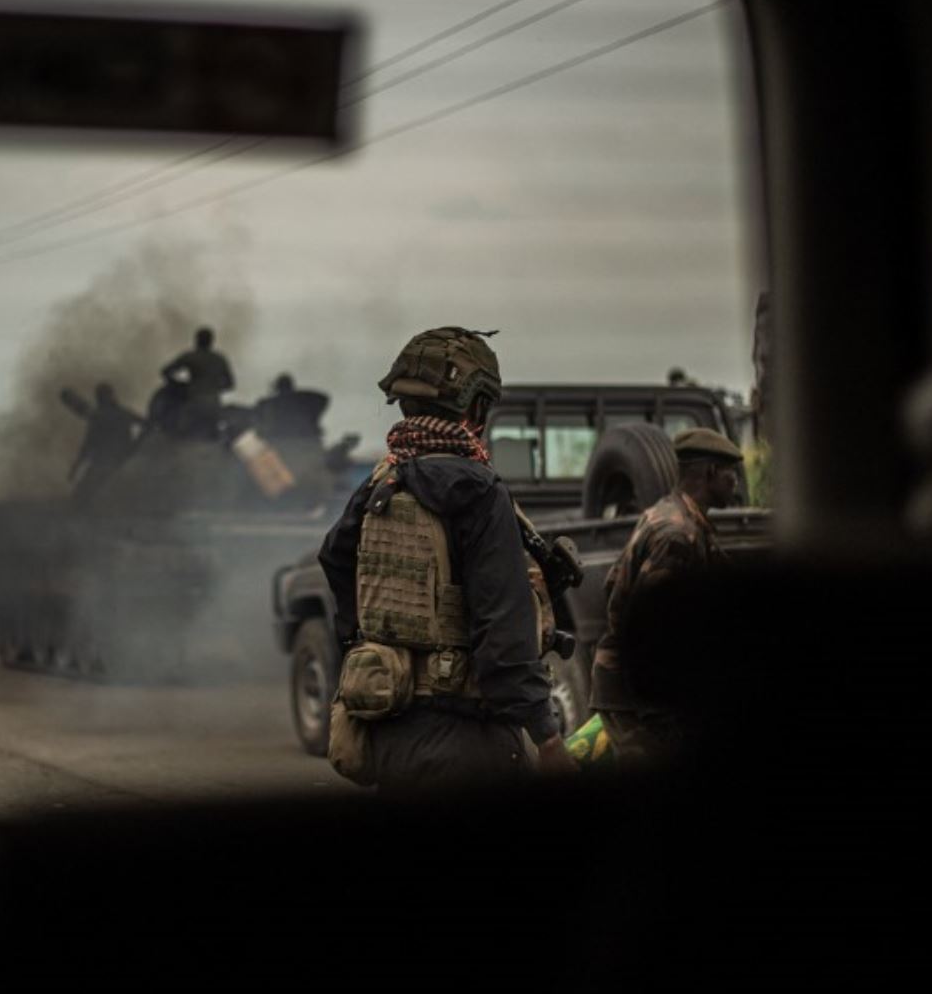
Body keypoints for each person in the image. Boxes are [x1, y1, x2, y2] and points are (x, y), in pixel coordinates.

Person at [317, 326, 576, 792]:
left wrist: (375, 647)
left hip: (390, 732)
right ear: (477, 407)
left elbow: (335, 556)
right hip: (469, 739)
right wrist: (549, 738)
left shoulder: (384, 479)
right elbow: (504, 637)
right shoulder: (479, 491)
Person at [590, 426, 743, 766]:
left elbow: (614, 584)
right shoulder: (677, 534)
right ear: (712, 472)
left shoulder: (669, 514)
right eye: (732, 473)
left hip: (634, 692)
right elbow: (650, 629)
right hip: (639, 700)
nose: (737, 483)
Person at [64, 382, 146, 501]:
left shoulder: (100, 416)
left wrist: (76, 466)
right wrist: (137, 445)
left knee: (81, 498)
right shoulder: (123, 412)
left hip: (106, 461)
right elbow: (148, 426)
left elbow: (88, 444)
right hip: (123, 457)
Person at [159, 326, 235, 438]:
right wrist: (214, 388)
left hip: (193, 403)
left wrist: (179, 385)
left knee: (180, 437)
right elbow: (230, 384)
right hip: (213, 404)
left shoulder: (191, 357)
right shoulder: (219, 359)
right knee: (213, 438)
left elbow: (165, 371)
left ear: (197, 340)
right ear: (211, 341)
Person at [254, 373, 329, 441]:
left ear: (277, 387)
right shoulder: (303, 399)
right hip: (306, 440)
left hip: (282, 441)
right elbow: (324, 399)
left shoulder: (271, 403)